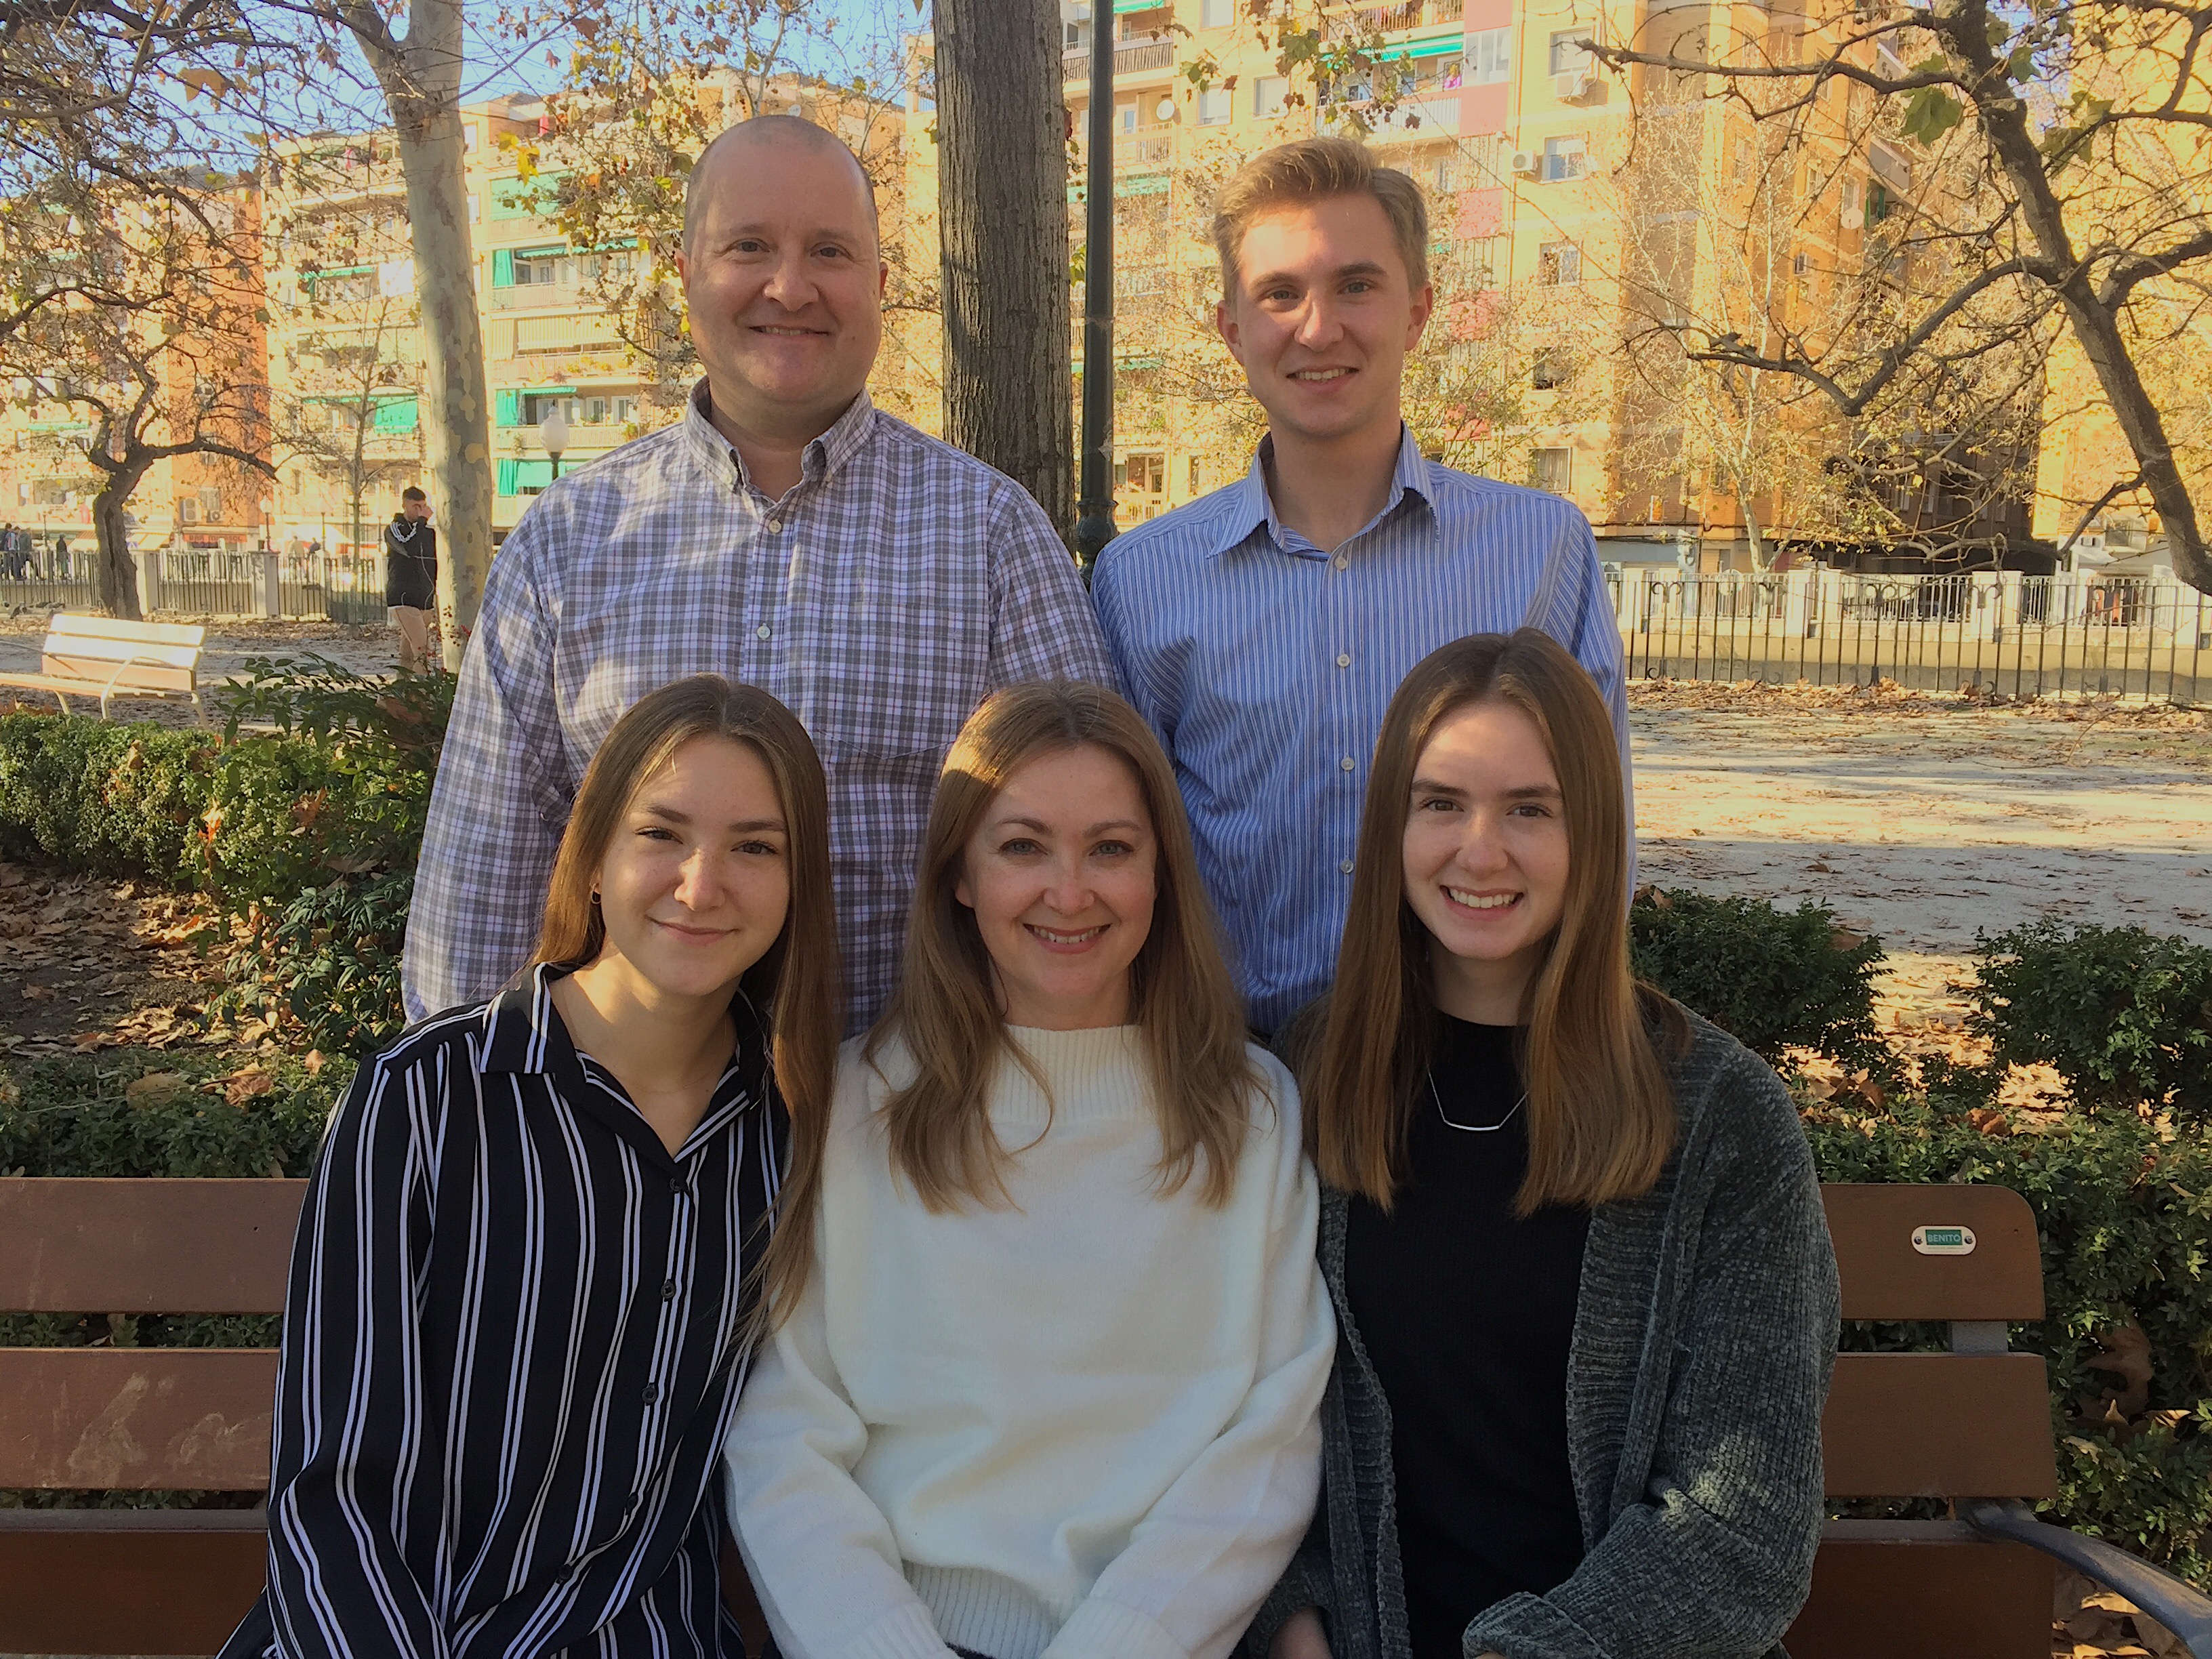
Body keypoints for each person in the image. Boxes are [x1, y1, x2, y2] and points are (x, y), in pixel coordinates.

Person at [403, 115, 1113, 1034]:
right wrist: (465, 1091)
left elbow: (1093, 859)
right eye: (749, 247)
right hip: (627, 1108)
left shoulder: (992, 536)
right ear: (686, 273)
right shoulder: (567, 542)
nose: (790, 286)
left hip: (920, 1103)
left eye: (830, 251)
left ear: (879, 286)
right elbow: (484, 881)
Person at [217, 675, 841, 1659]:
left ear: (799, 883)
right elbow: (331, 1494)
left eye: (756, 848)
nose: (701, 884)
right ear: (592, 857)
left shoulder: (794, 1134)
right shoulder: (424, 1098)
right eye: (661, 833)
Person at [1251, 630, 1837, 1659]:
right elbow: (1244, 1428)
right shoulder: (1307, 1081)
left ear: (1594, 833)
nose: (1481, 852)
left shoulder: (1721, 1118)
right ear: (1391, 827)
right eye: (1441, 804)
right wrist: (1294, 1627)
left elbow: (1743, 1529)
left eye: (1530, 809)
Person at [724, 681, 1336, 1659]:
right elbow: (784, 1435)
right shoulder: (857, 1105)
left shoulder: (1252, 1112)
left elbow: (1270, 1446)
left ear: (1161, 873)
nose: (1070, 891)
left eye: (1111, 849)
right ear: (959, 875)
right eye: (1022, 847)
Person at [1090, 138, 1631, 1035]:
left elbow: (1601, 834)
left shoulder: (1541, 550)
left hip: (1474, 1075)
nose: (1317, 328)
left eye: (1355, 285)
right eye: (1279, 293)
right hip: (1232, 1075)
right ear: (1231, 329)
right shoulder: (1142, 580)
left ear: (1417, 311)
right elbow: (1118, 852)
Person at [383, 485, 438, 673]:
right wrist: (421, 523)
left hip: (425, 599)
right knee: (423, 649)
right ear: (405, 505)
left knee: (407, 655)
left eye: (423, 506)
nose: (420, 511)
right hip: (403, 597)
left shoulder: (428, 533)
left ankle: (400, 688)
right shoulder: (395, 529)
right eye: (415, 506)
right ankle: (425, 688)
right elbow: (408, 549)